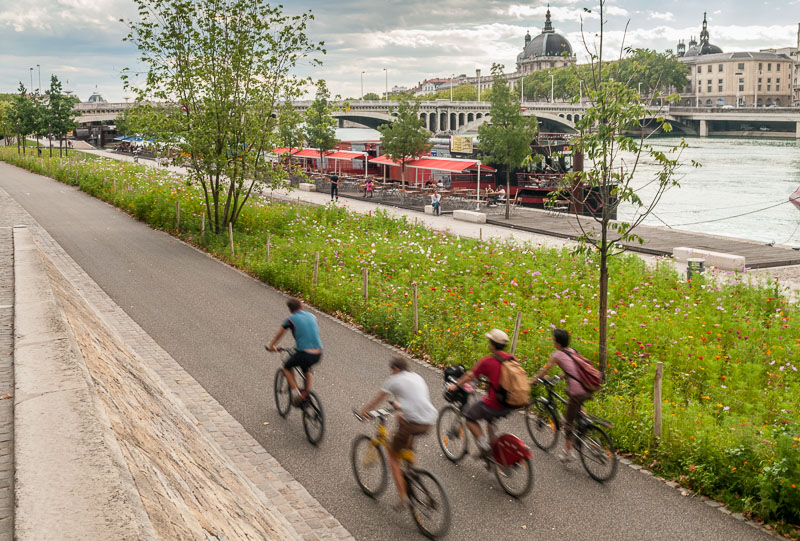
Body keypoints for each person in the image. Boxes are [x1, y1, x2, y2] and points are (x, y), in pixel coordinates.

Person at [359, 356, 437, 509]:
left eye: (391, 370)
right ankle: (411, 465)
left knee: (393, 457)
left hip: (414, 423)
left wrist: (364, 411)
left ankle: (403, 498)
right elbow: (415, 400)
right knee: (401, 419)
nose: (391, 372)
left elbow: (378, 399)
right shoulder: (417, 377)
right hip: (429, 421)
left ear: (396, 369)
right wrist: (398, 406)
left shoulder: (394, 380)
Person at [447, 329, 513, 457]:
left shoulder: (488, 361)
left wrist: (455, 386)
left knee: (469, 417)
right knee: (490, 419)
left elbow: (470, 376)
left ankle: (485, 447)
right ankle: (493, 445)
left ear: (492, 345)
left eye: (490, 342)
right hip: (510, 402)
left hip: (495, 403)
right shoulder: (512, 359)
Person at [532, 328, 593, 463]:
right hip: (588, 386)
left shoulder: (557, 355)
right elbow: (575, 369)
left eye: (554, 340)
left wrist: (534, 380)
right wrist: (561, 376)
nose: (553, 341)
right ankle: (585, 423)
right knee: (578, 405)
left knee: (568, 422)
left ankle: (568, 453)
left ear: (558, 343)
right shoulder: (573, 352)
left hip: (577, 391)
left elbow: (546, 369)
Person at [268, 298, 323, 406]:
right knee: (306, 369)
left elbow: (279, 334)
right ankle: (306, 395)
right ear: (301, 307)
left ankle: (296, 393)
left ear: (290, 310)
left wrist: (272, 346)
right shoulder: (312, 316)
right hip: (318, 353)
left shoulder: (291, 319)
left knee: (286, 367)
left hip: (304, 352)